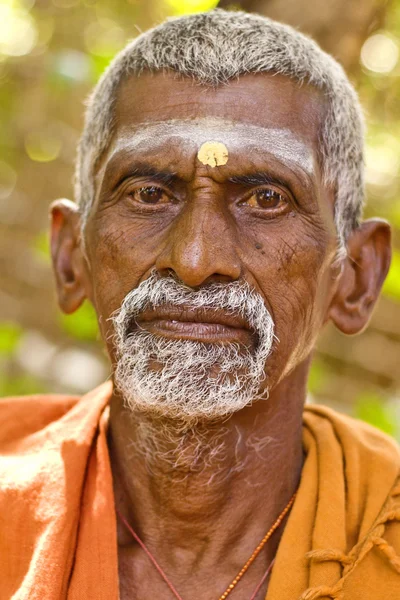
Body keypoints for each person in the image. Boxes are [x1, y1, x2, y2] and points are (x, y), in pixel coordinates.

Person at [1, 9, 400, 600]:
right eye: (148, 194)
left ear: (357, 278)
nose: (194, 259)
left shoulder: (382, 537)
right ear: (70, 257)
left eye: (266, 197)